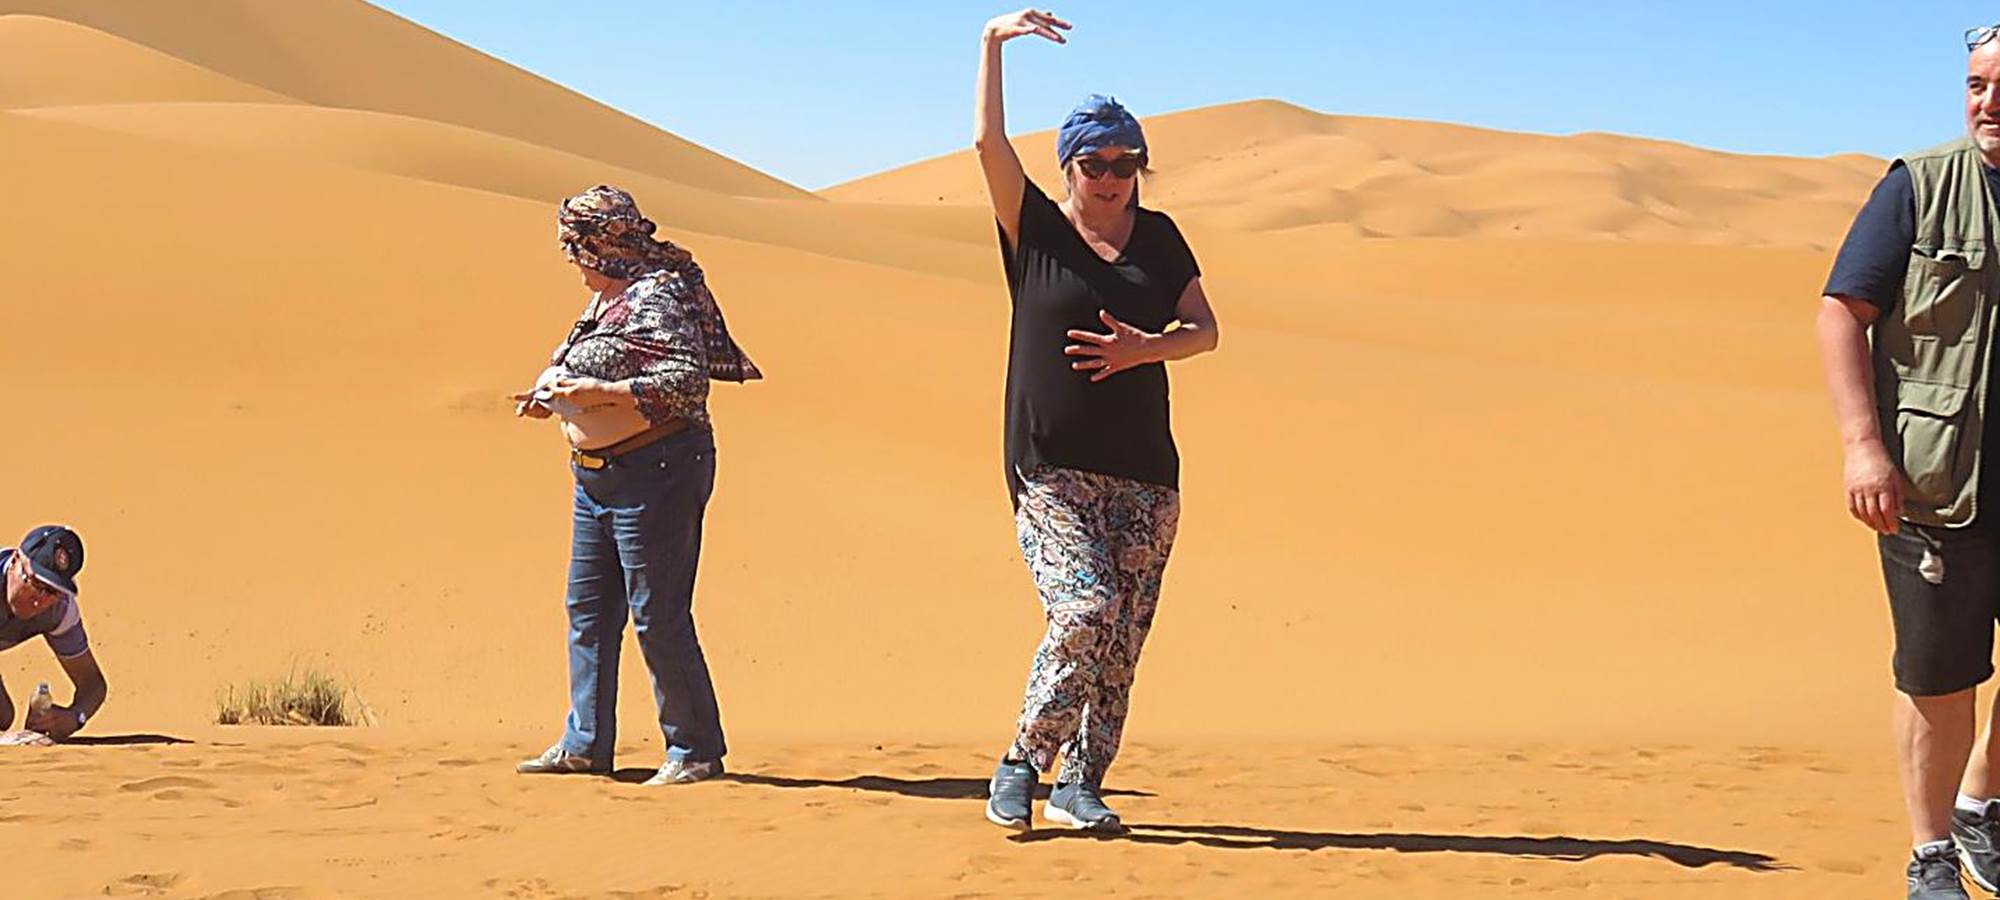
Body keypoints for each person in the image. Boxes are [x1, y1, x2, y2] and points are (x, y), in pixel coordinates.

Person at [973, 9, 1221, 833]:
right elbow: (986, 150)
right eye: (1094, 162)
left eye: (1125, 162)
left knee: (1118, 649)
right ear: (1069, 166)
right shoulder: (1037, 231)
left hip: (1148, 476)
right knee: (1085, 611)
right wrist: (991, 45)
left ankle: (1081, 786)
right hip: (1051, 467)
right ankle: (1021, 762)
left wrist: (1148, 347)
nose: (1111, 176)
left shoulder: (1161, 239)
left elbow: (1205, 331)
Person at [1817, 24, 2000, 900]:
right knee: (1939, 678)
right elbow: (1841, 314)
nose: (1987, 104)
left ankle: (1981, 803)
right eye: (1975, 84)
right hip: (1936, 486)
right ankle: (1932, 857)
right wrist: (1863, 448)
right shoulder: (1919, 187)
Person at [511, 185, 760, 786]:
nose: (571, 259)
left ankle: (695, 750)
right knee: (589, 610)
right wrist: (556, 401)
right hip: (596, 479)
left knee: (658, 614)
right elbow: (603, 364)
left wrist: (599, 397)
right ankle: (585, 743)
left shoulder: (656, 296)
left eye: (577, 247)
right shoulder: (606, 301)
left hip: (659, 472)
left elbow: (685, 380)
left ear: (601, 245)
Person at [0, 525, 105, 742]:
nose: (40, 600)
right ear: (16, 560)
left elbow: (92, 683)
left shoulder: (60, 610)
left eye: (52, 591)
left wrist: (76, 717)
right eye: (35, 583)